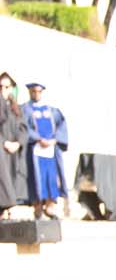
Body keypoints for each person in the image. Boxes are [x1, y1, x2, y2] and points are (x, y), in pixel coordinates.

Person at [21, 81, 68, 219]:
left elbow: (61, 126)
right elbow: (23, 127)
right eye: (33, 92)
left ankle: (50, 206)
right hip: (35, 150)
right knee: (36, 179)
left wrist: (55, 140)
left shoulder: (51, 110)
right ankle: (37, 208)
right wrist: (37, 138)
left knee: (51, 178)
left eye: (38, 91)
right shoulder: (25, 109)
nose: (36, 94)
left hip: (51, 151)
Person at [0, 72, 28, 215]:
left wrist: (18, 143)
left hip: (13, 152)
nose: (4, 90)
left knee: (12, 180)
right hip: (2, 149)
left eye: (7, 86)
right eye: (1, 86)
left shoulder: (16, 108)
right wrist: (4, 143)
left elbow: (23, 128)